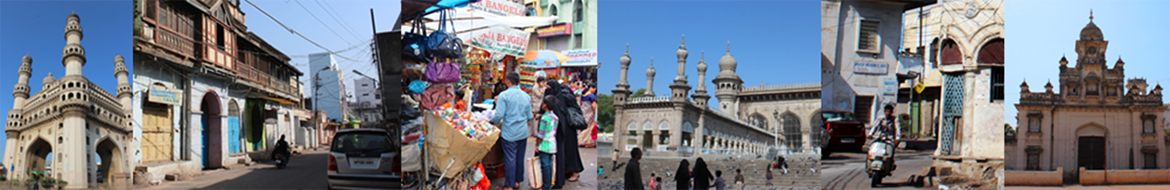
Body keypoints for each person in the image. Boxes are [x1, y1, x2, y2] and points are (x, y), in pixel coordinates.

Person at [490, 72, 534, 190]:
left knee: (510, 158)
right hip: (522, 132)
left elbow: (498, 115)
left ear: (508, 82)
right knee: (519, 157)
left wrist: (491, 122)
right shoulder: (526, 96)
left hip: (509, 132)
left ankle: (509, 184)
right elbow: (530, 117)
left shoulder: (504, 95)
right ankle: (517, 180)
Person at [545, 80, 584, 187]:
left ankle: (574, 171)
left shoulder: (563, 97)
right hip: (562, 129)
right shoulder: (561, 95)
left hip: (567, 128)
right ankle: (564, 171)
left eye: (548, 87)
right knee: (564, 151)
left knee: (569, 150)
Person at [535, 95, 559, 190]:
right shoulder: (555, 117)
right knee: (549, 166)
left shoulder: (544, 119)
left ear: (545, 105)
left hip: (544, 145)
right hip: (552, 144)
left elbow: (541, 134)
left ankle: (546, 186)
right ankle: (548, 184)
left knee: (545, 166)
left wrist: (537, 145)